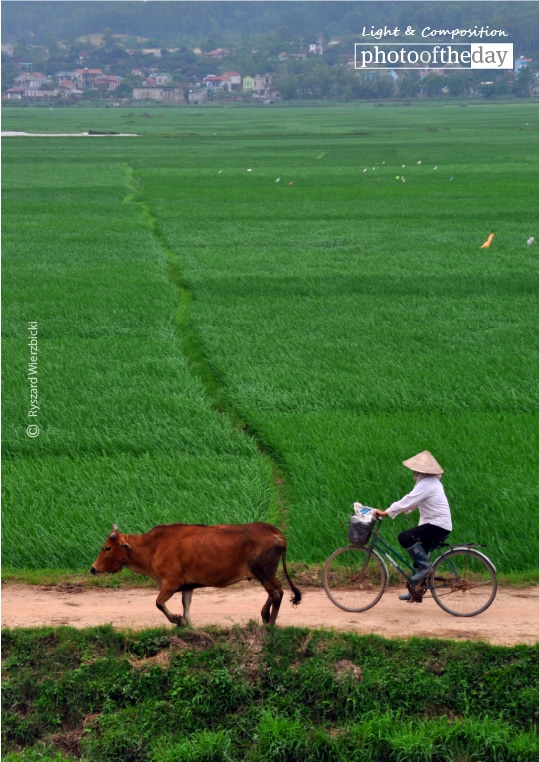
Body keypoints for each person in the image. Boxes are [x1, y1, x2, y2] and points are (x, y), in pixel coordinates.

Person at [372, 450, 452, 602]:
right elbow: (415, 501)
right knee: (418, 556)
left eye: (415, 469)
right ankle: (416, 592)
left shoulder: (427, 484)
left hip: (437, 525)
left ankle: (426, 568)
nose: (413, 471)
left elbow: (409, 499)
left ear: (421, 470)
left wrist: (386, 512)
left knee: (405, 537)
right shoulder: (431, 482)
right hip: (438, 524)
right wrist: (403, 510)